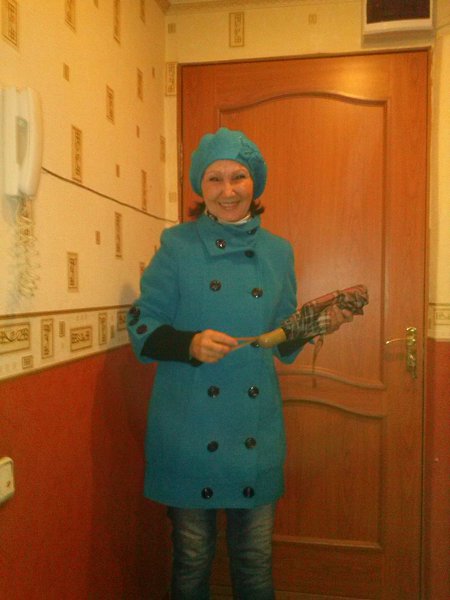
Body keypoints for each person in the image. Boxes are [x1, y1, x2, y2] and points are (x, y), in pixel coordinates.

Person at [127, 127, 353, 599]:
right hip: (189, 428)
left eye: (239, 177)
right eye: (215, 178)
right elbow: (143, 326)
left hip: (255, 431)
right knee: (192, 559)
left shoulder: (278, 252)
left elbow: (282, 339)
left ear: (255, 183)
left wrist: (317, 324)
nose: (227, 190)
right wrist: (190, 344)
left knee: (254, 560)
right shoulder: (177, 245)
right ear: (200, 186)